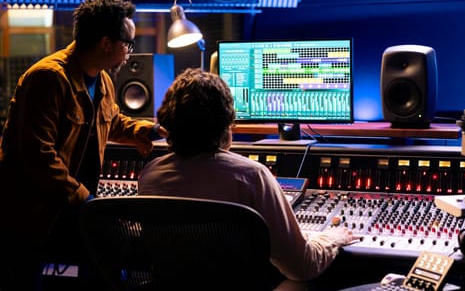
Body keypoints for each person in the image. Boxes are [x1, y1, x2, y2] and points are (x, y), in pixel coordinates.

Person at [0, 0, 165, 291]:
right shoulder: (48, 79)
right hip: (33, 215)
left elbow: (109, 121)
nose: (129, 52)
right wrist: (85, 199)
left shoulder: (102, 79)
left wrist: (146, 130)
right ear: (106, 43)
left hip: (69, 205)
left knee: (116, 250)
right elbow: (38, 156)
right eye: (128, 44)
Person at [138, 68, 361, 288]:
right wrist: (331, 238)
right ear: (225, 125)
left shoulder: (150, 174)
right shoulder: (252, 176)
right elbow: (302, 266)